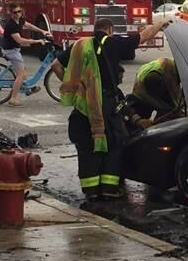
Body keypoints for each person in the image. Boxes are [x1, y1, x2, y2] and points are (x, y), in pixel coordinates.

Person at [50, 17, 170, 201]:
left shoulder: (79, 45)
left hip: (84, 104)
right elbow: (143, 36)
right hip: (105, 103)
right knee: (114, 142)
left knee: (87, 145)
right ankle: (109, 188)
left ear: (95, 29)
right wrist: (160, 24)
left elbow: (56, 66)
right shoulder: (112, 43)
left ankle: (91, 190)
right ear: (110, 30)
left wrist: (78, 88)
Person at [124, 58, 188, 132]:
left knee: (169, 113)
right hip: (146, 88)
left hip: (147, 83)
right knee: (168, 115)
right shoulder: (166, 76)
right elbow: (175, 107)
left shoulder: (177, 66)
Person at [2, 3, 51, 107]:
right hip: (11, 51)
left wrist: (43, 31)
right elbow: (20, 40)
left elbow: (29, 26)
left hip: (15, 49)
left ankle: (26, 89)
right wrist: (37, 41)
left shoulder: (20, 20)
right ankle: (13, 99)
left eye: (19, 11)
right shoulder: (11, 25)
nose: (17, 14)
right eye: (15, 12)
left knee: (24, 73)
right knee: (21, 75)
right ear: (11, 13)